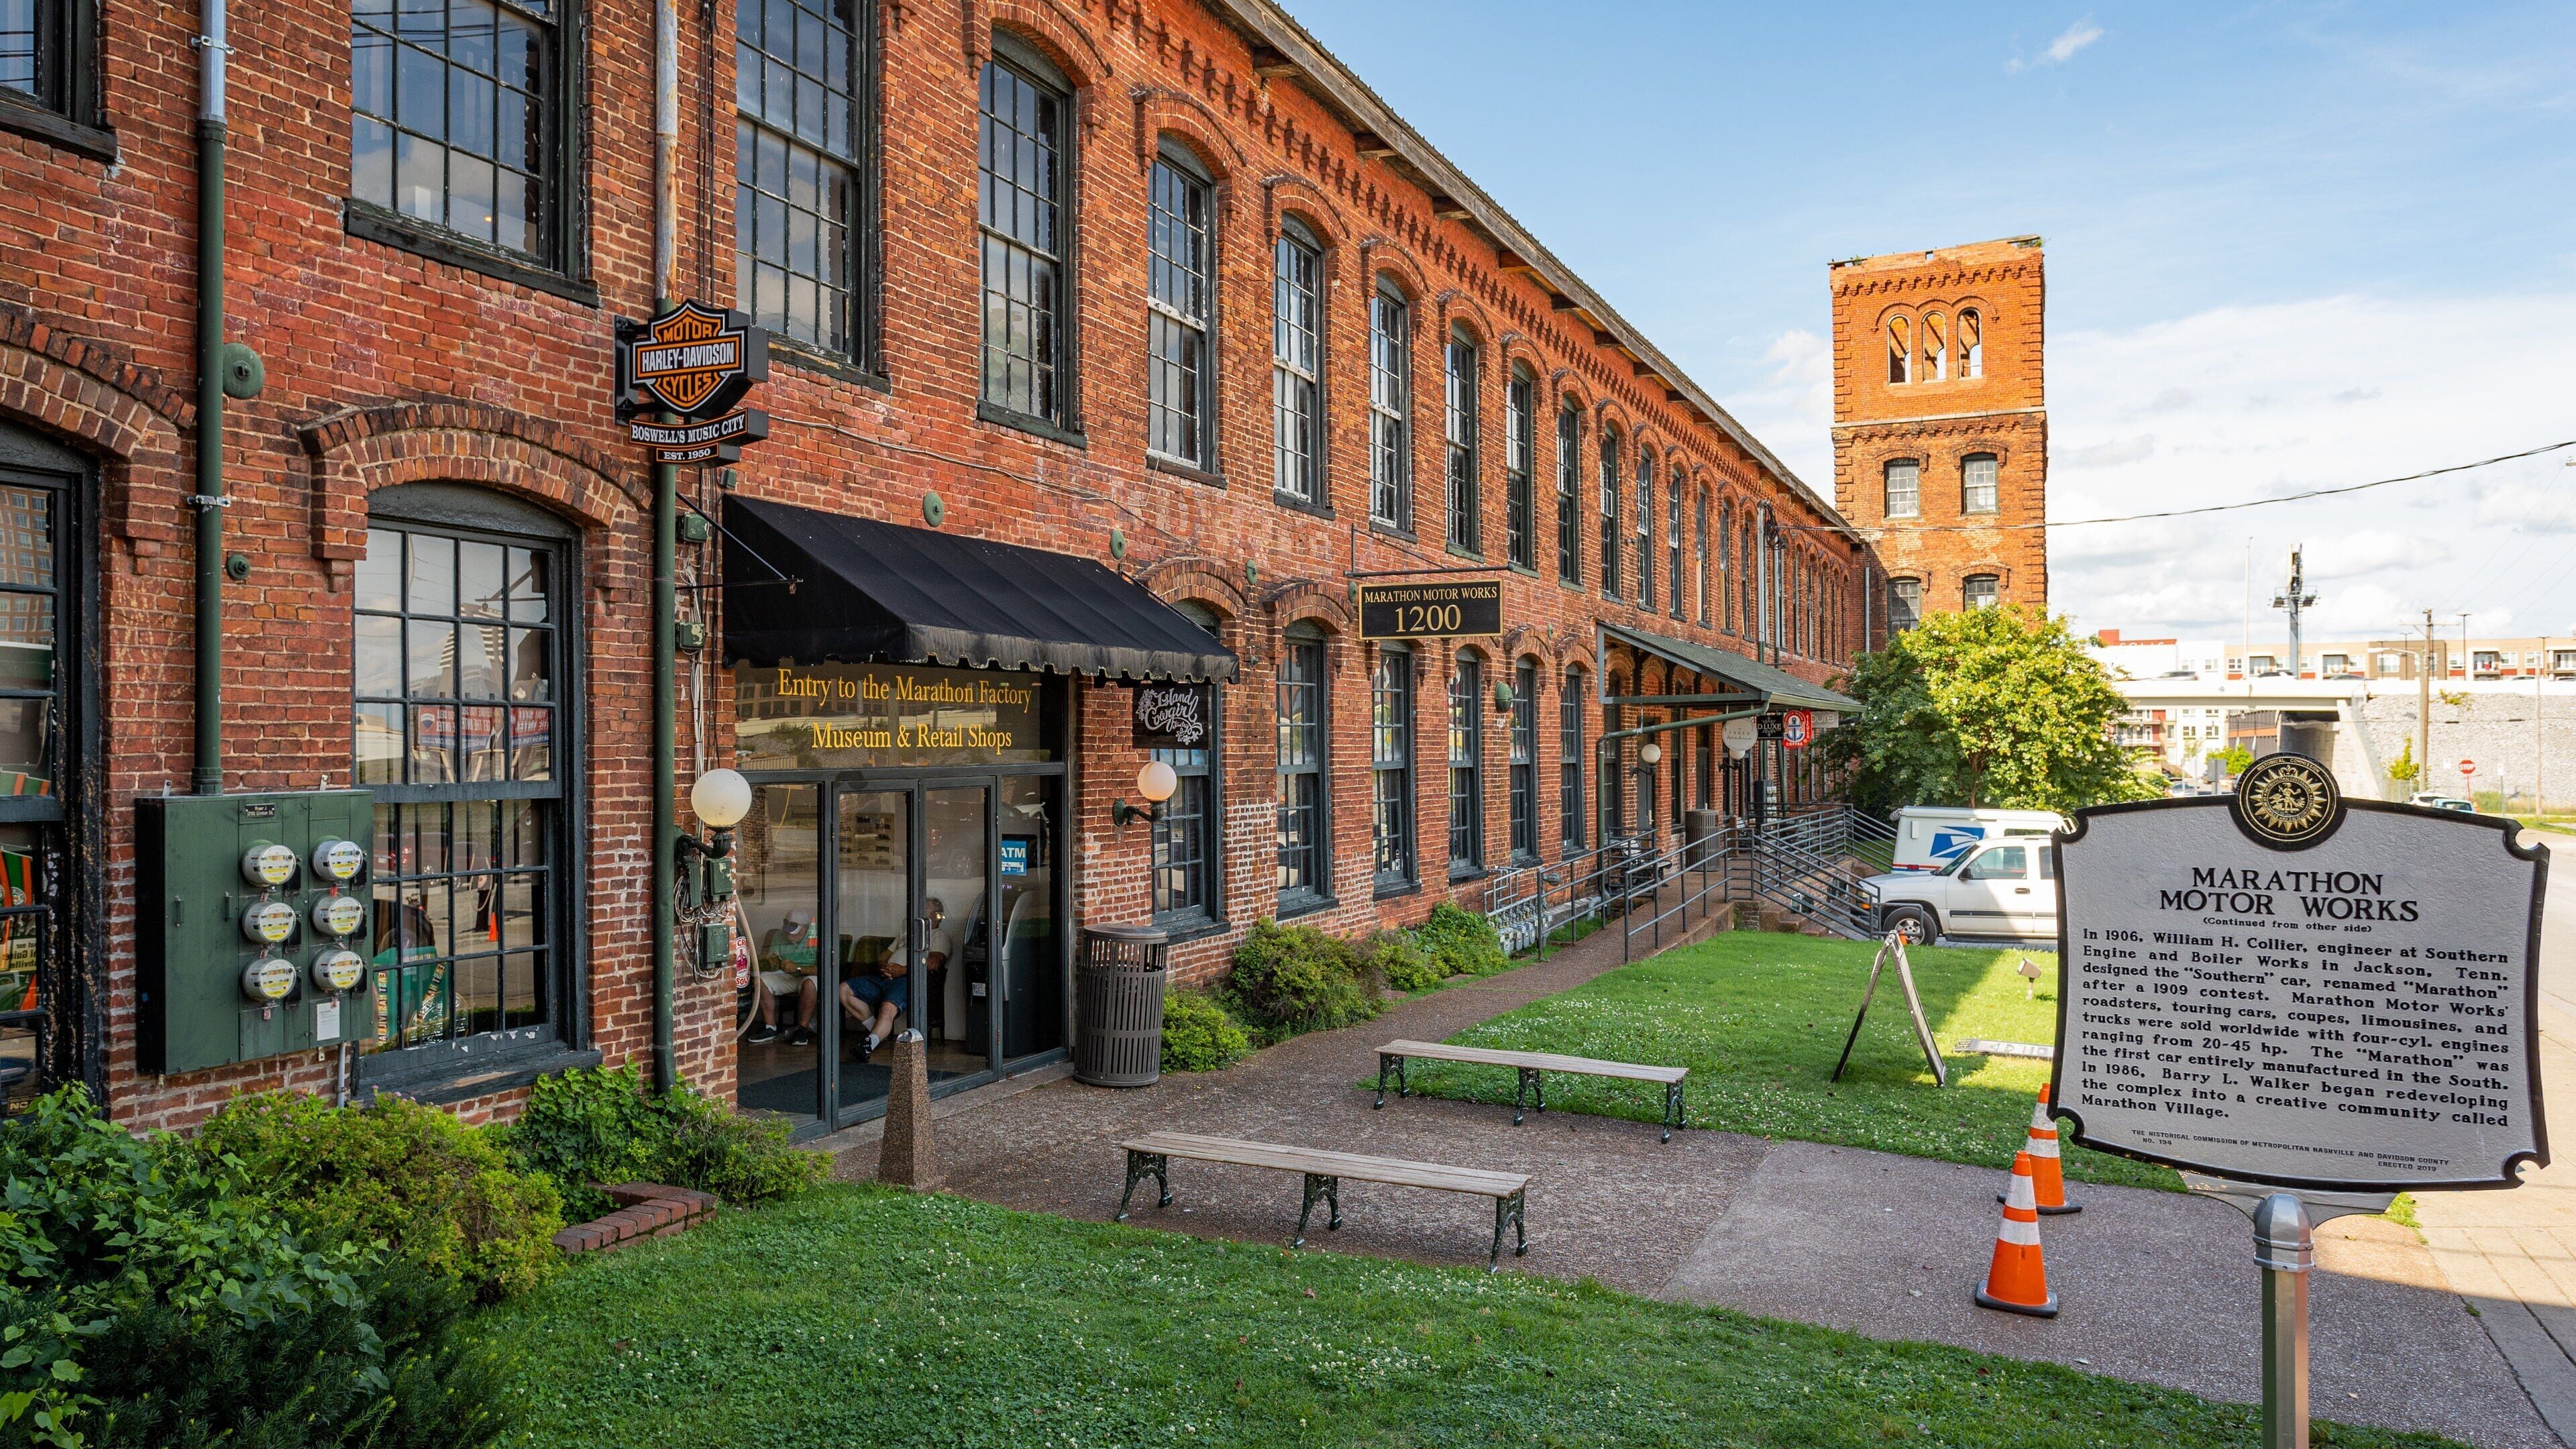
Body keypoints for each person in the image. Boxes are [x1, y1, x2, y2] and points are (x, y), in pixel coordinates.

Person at [839, 897, 957, 1061]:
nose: (917, 913)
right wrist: (885, 968)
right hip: (884, 978)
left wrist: (902, 971)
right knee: (843, 990)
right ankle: (876, 1031)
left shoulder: (939, 936)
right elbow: (883, 956)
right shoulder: (906, 933)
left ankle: (868, 1045)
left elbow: (933, 964)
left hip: (906, 980)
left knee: (888, 1007)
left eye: (924, 910)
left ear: (936, 916)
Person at [745, 908, 822, 1045]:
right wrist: (773, 962)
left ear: (805, 928)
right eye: (787, 931)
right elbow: (773, 960)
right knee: (761, 980)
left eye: (793, 933)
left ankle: (802, 1029)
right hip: (786, 974)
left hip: (809, 975)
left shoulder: (817, 936)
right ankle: (770, 1027)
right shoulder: (780, 935)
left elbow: (824, 969)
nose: (789, 935)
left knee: (810, 984)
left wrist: (798, 968)